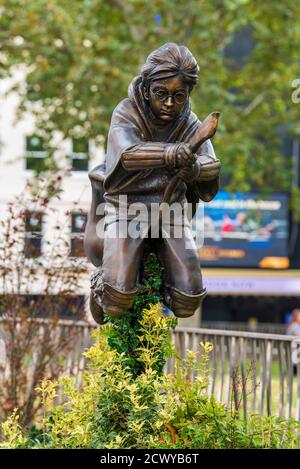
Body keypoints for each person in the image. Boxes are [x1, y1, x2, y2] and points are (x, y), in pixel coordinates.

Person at [84, 43, 221, 323]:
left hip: (169, 213)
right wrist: (171, 153)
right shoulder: (126, 112)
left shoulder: (190, 122)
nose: (170, 104)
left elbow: (211, 164)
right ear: (147, 89)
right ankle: (103, 284)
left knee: (188, 299)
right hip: (128, 207)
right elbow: (127, 153)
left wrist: (194, 168)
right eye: (162, 94)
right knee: (117, 298)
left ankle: (153, 286)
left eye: (179, 96)